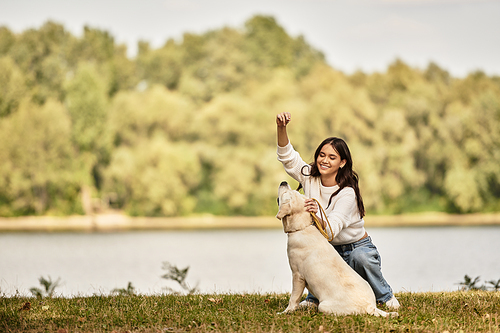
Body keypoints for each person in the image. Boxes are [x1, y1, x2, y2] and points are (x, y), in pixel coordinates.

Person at [276, 112, 400, 310]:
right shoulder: (309, 176)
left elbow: (332, 229)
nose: (324, 160)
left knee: (361, 259)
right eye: (321, 155)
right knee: (313, 257)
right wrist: (281, 127)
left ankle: (384, 295)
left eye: (332, 157)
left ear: (342, 162)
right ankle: (314, 297)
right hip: (326, 249)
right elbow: (288, 158)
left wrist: (317, 211)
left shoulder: (347, 193)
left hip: (355, 246)